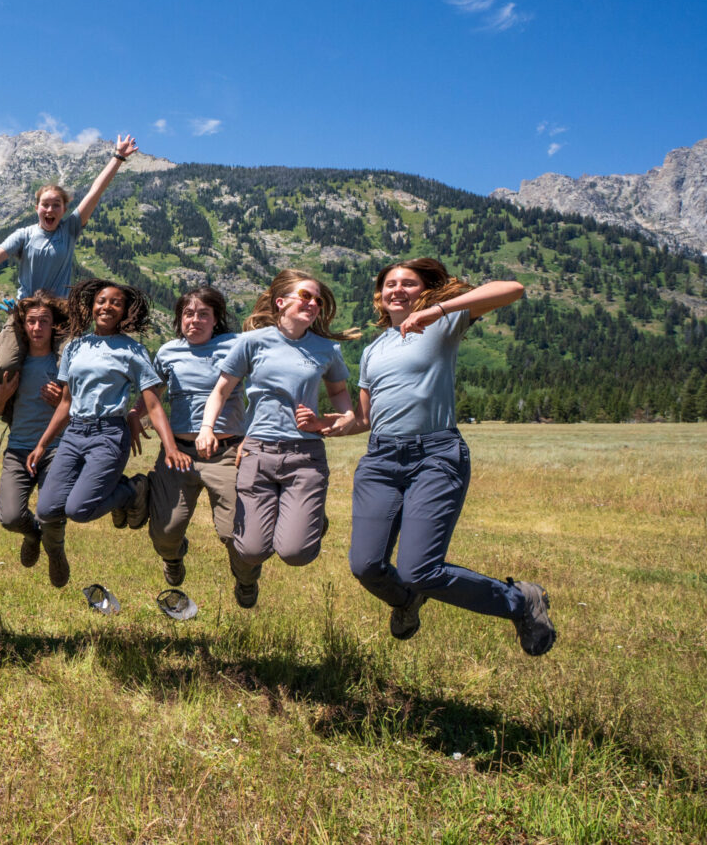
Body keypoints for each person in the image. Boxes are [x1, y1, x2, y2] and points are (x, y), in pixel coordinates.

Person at [296, 258, 556, 654]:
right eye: (389, 284)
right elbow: (365, 417)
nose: (397, 289)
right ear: (380, 296)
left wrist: (438, 309)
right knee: (366, 567)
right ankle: (406, 601)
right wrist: (333, 423)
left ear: (425, 290)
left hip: (434, 456)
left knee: (420, 569)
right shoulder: (373, 350)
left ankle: (520, 601)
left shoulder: (444, 322)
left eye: (408, 283)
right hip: (381, 461)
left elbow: (513, 289)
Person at [197, 270, 354, 604]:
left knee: (295, 553)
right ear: (281, 303)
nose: (313, 303)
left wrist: (342, 417)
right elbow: (221, 391)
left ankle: (310, 521)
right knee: (251, 550)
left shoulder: (326, 349)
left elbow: (340, 393)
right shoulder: (253, 342)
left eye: (317, 300)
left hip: (305, 455)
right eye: (306, 296)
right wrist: (207, 428)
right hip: (258, 452)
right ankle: (297, 524)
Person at [0, 135, 138, 391]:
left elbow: (96, 191)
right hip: (25, 309)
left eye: (56, 206)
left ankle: (68, 414)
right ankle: (10, 409)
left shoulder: (70, 228)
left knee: (72, 367)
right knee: (5, 365)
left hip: (62, 311)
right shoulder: (24, 234)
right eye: (45, 205)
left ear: (63, 209)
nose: (50, 210)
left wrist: (118, 158)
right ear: (37, 207)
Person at [28, 279, 180, 541]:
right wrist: (42, 444)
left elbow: (153, 403)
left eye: (116, 303)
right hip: (74, 433)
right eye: (102, 301)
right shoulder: (75, 347)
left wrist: (171, 447)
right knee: (47, 508)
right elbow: (66, 403)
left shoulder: (133, 350)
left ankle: (132, 490)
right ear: (92, 306)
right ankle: (118, 489)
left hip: (108, 434)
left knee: (78, 510)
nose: (107, 307)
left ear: (124, 311)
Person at [143, 286, 262, 599]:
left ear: (216, 318)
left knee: (232, 532)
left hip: (228, 453)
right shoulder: (168, 352)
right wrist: (132, 417)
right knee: (165, 532)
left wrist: (255, 433)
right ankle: (173, 556)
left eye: (203, 314)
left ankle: (246, 578)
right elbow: (151, 395)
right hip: (178, 454)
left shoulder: (237, 345)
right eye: (188, 314)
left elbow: (265, 386)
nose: (194, 320)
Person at [0, 292, 70, 585]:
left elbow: (79, 409)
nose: (37, 328)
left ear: (53, 326)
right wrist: (2, 396)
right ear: (24, 326)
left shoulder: (64, 366)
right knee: (9, 517)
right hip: (18, 449)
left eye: (43, 322)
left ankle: (55, 551)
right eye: (31, 322)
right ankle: (33, 535)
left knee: (52, 512)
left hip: (56, 448)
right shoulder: (13, 367)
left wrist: (62, 401)